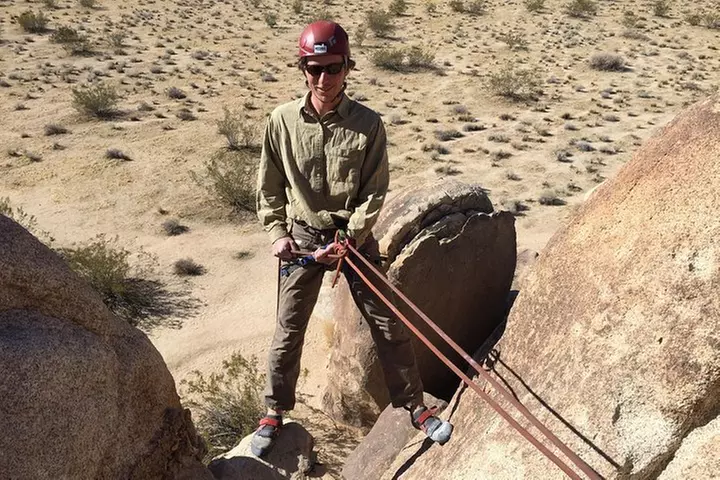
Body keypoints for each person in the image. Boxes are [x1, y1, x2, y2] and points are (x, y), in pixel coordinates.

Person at [252, 20, 453, 457]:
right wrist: (276, 233)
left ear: (348, 67)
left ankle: (415, 408)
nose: (324, 79)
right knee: (288, 329)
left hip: (353, 240)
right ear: (302, 68)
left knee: (387, 323)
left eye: (333, 68)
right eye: (314, 68)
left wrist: (349, 236)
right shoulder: (281, 121)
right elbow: (269, 186)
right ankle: (274, 411)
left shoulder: (368, 125)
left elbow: (374, 190)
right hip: (303, 239)